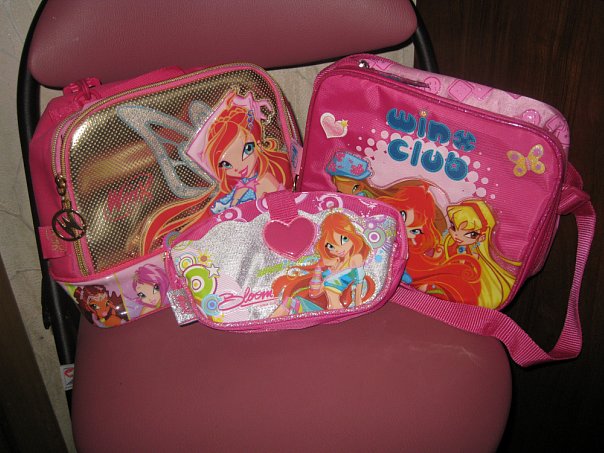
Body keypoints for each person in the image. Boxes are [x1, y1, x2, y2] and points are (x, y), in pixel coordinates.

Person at [270, 212, 375, 317]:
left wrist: (358, 304)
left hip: (336, 311)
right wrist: (318, 273)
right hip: (325, 311)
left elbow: (359, 280)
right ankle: (271, 322)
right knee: (289, 301)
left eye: (344, 239)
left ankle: (273, 322)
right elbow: (315, 293)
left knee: (290, 304)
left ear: (352, 236)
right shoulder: (334, 267)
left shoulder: (355, 259)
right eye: (331, 246)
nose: (339, 249)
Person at [444, 200, 520, 309]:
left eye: (470, 234)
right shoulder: (450, 245)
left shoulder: (474, 255)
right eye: (454, 227)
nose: (457, 236)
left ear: (482, 236)